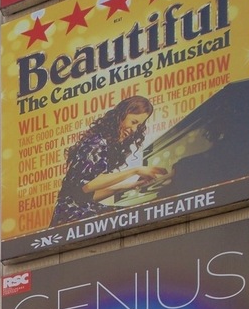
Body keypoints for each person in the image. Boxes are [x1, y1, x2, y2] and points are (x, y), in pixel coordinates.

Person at [50, 95, 169, 227]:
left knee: (134, 216)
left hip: (75, 210)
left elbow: (86, 195)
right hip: (69, 215)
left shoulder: (105, 144)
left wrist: (129, 186)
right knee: (136, 217)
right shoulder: (96, 143)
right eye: (133, 122)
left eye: (139, 125)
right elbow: (87, 186)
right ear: (121, 116)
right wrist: (135, 170)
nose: (134, 130)